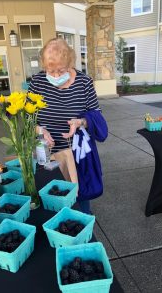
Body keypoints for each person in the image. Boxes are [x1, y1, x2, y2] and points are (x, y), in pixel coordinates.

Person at [28, 38, 107, 214]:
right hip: (47, 153)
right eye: (50, 70)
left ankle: (82, 230)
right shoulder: (38, 82)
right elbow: (28, 116)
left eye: (61, 70)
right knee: (50, 197)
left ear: (70, 63)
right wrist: (39, 129)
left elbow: (96, 114)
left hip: (77, 153)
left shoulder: (84, 82)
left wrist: (80, 122)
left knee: (80, 200)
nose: (55, 76)